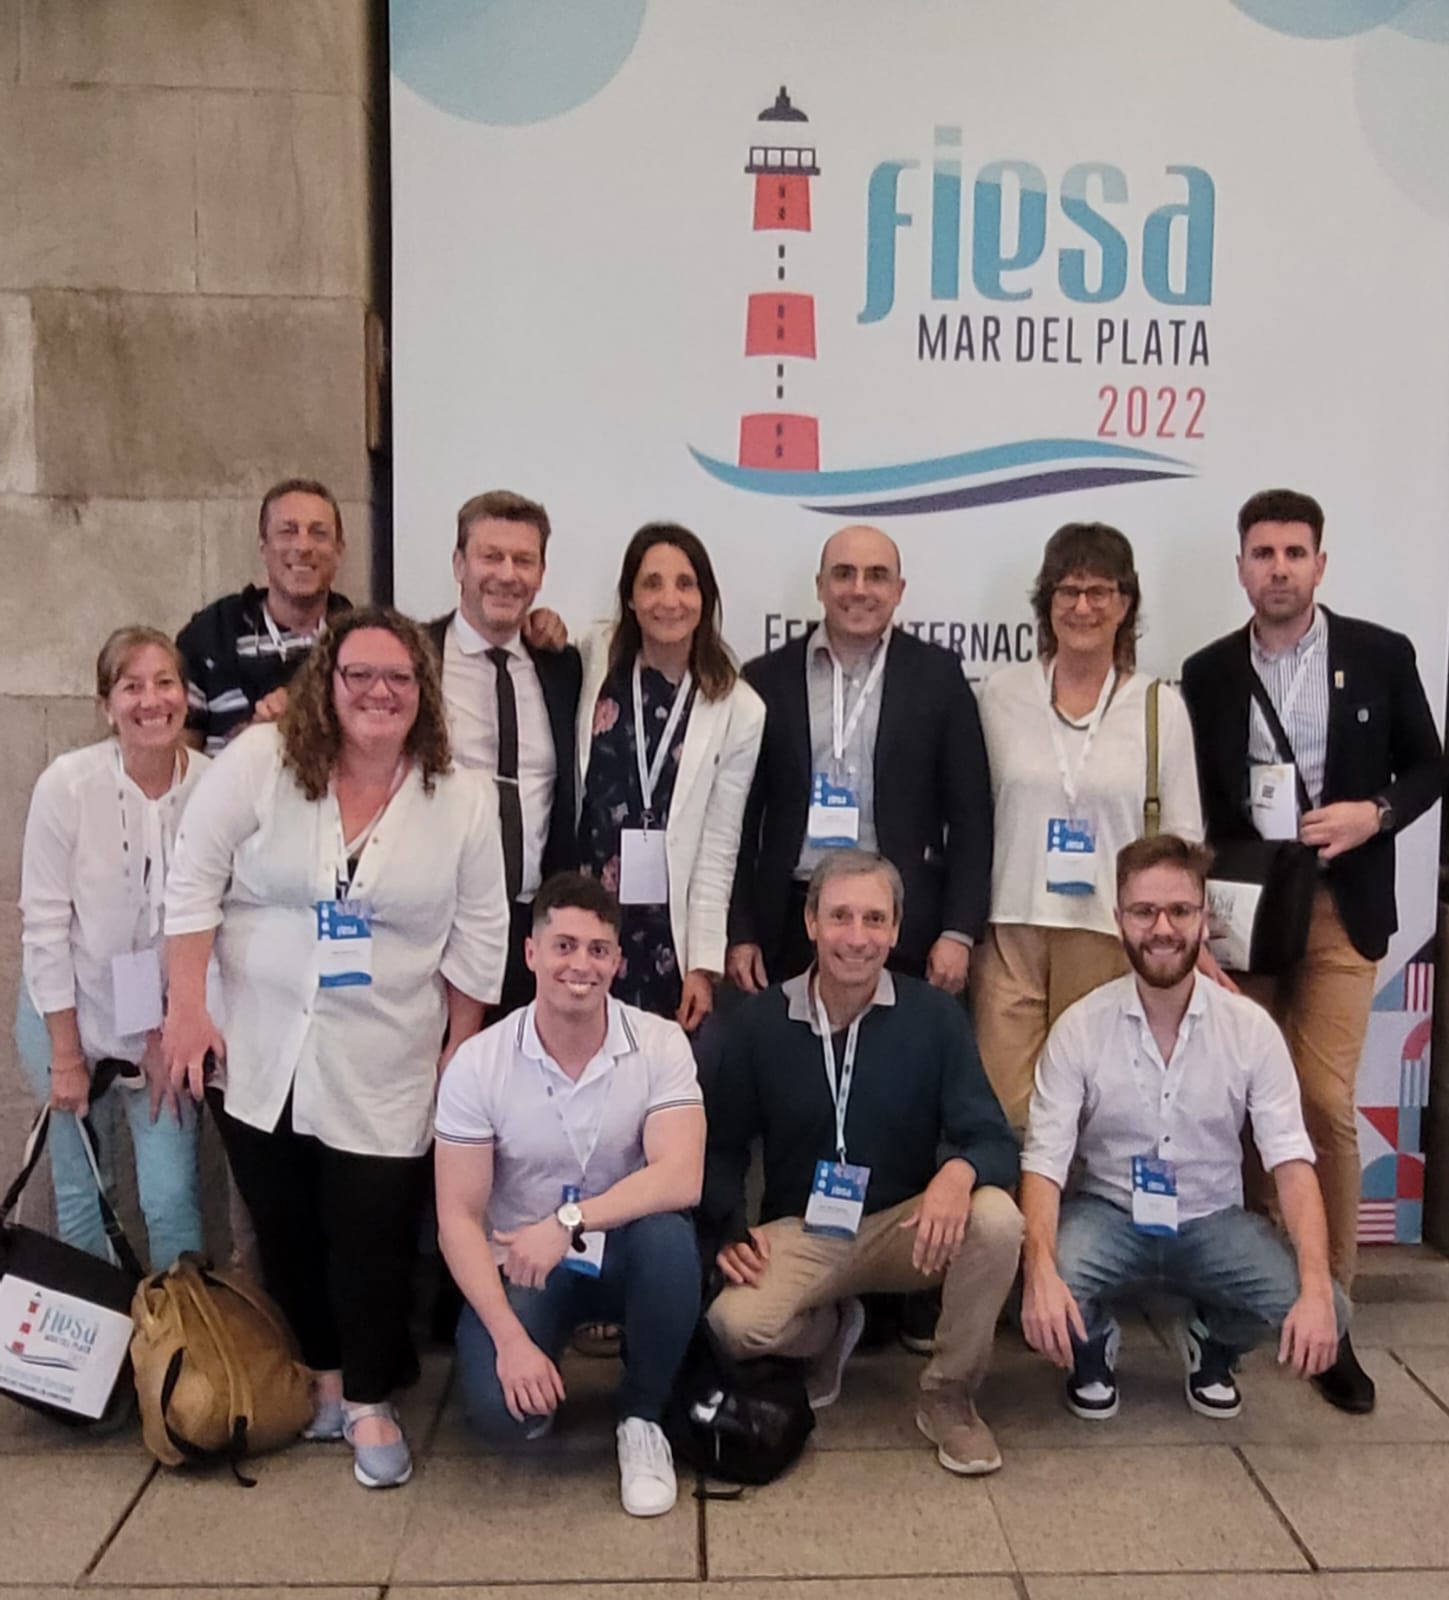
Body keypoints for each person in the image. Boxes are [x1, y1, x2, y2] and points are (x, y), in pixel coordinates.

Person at [162, 606, 507, 1491]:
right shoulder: (261, 761)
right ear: (328, 682)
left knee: (374, 1230)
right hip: (259, 1047)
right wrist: (186, 1010)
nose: (378, 692)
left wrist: (459, 1047)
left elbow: (480, 932)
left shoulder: (461, 798)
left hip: (387, 1054)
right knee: (285, 1226)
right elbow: (192, 880)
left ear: (423, 692)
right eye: (359, 674)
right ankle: (320, 1376)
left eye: (398, 677)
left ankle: (369, 1397)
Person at [1180, 488, 1444, 1414]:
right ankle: (1260, 1287)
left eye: (1295, 553)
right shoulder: (1206, 672)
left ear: (1319, 564)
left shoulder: (1378, 653)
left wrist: (1375, 813)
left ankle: (1329, 1308)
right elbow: (1199, 801)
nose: (1279, 569)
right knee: (1247, 1103)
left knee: (1321, 1101)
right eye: (1262, 553)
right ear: (1240, 567)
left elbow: (1430, 765)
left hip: (1341, 905)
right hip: (1246, 914)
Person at [703, 849, 1022, 1477]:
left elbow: (994, 1139)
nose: (857, 937)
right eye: (840, 916)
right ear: (811, 923)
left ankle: (949, 1396)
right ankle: (828, 1330)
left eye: (875, 919)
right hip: (806, 1230)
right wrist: (727, 1228)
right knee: (731, 1324)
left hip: (909, 1229)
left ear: (897, 930)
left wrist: (957, 1173)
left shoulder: (934, 1017)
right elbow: (721, 1145)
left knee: (997, 1219)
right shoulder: (760, 1023)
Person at [1020, 834, 1347, 1421]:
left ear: (1205, 918)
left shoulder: (1250, 1029)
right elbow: (1044, 1162)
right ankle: (1092, 1343)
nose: (1163, 928)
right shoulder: (1080, 1027)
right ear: (1119, 920)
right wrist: (1039, 1272)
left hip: (1212, 1219)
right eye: (1144, 912)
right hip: (1110, 1215)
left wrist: (1318, 1287)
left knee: (1331, 1309)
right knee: (1041, 1281)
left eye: (1180, 910)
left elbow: (1291, 1162)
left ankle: (1212, 1342)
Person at [434, 873, 704, 1518]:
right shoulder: (479, 1062)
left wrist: (569, 1220)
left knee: (670, 1238)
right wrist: (510, 1342)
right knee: (506, 1417)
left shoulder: (659, 1042)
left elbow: (681, 1176)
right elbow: (457, 1219)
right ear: (531, 954)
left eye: (598, 950)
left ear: (618, 961)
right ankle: (537, 1359)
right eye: (564, 946)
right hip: (524, 1262)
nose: (581, 965)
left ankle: (642, 1417)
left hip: (624, 1250)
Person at [973, 522, 1209, 1132]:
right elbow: (972, 815)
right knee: (1008, 1111)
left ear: (1125, 604)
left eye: (1100, 591)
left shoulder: (1159, 706)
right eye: (1068, 591)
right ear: (1046, 601)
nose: (1083, 607)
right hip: (1012, 928)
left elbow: (1184, 836)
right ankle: (1018, 1201)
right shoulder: (999, 695)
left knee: (1096, 1108)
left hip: (1109, 930)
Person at [725, 524, 992, 994]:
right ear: (820, 585)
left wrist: (958, 931)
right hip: (788, 923)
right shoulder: (766, 679)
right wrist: (740, 931)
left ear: (899, 590)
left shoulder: (938, 678)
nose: (859, 589)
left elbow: (971, 816)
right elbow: (740, 822)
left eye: (877, 575)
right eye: (844, 573)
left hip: (903, 925)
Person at [17, 627, 209, 1269]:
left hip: (166, 1026)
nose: (151, 701)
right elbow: (45, 925)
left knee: (171, 1196)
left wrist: (172, 1028)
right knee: (85, 1193)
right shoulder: (67, 786)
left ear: (186, 695)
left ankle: (182, 1328)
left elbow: (220, 926)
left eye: (165, 683)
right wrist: (66, 1056)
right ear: (106, 705)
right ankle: (98, 1328)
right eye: (132, 686)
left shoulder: (214, 787)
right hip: (67, 1015)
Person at [576, 522, 765, 1033]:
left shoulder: (739, 708)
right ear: (630, 597)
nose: (669, 601)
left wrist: (702, 965)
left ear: (706, 598)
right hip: (586, 916)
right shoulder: (596, 659)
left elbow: (720, 847)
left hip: (668, 932)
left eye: (685, 584)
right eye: (651, 584)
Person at [428, 490, 582, 1014]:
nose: (507, 575)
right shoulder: (414, 656)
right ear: (459, 564)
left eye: (523, 560)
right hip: (438, 923)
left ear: (541, 573)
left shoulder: (562, 666)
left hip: (532, 925)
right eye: (491, 556)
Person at [177, 478, 351, 753]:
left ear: (339, 550)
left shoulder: (362, 642)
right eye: (288, 531)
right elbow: (178, 764)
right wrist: (256, 740)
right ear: (263, 546)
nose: (303, 546)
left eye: (318, 533)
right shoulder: (211, 634)